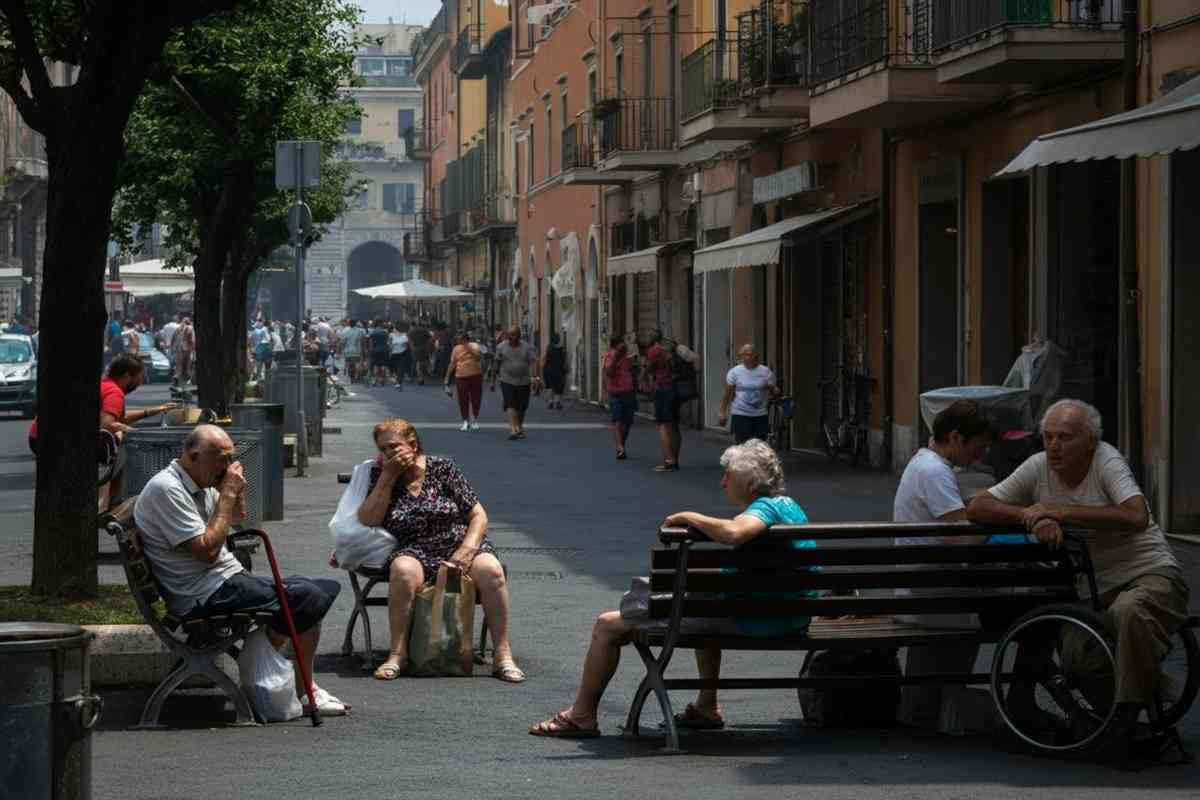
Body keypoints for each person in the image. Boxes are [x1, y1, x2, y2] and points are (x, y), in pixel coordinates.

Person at [529, 440, 814, 737]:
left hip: (759, 619)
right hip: (791, 616)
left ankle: (582, 716)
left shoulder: (764, 509)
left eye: (728, 475)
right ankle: (706, 705)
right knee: (706, 604)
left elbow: (734, 532)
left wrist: (689, 516)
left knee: (607, 625)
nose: (722, 482)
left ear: (750, 482)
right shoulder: (789, 506)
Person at [967, 398, 1190, 762]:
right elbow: (978, 506)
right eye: (1048, 436)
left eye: (1065, 437)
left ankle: (1123, 723)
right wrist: (1032, 516)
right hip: (1093, 591)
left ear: (1090, 441)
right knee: (1078, 658)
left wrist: (1060, 511)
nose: (1054, 446)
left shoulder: (1106, 461)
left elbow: (1135, 515)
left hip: (1149, 572)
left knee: (1130, 612)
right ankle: (1135, 700)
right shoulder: (1039, 466)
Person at [135, 425, 349, 715]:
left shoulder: (198, 481)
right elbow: (208, 552)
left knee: (316, 590)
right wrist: (226, 494)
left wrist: (237, 490)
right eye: (221, 459)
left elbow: (236, 517)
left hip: (220, 581)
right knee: (308, 596)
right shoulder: (168, 489)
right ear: (193, 456)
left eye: (230, 458)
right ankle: (301, 688)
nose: (226, 466)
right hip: (204, 593)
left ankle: (297, 682)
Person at [354, 418, 524, 683]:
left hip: (459, 543)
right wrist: (388, 477)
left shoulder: (443, 468)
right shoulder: (381, 475)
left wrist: (467, 549)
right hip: (415, 547)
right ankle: (397, 654)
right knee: (402, 570)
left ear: (413, 444)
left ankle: (502, 654)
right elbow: (369, 519)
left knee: (492, 571)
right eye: (383, 449)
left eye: (394, 446)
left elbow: (478, 515)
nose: (388, 453)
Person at [892, 399, 994, 730]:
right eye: (977, 447)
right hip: (931, 591)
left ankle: (927, 709)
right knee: (1005, 601)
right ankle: (945, 708)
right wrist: (994, 520)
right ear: (955, 437)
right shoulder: (935, 472)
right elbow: (963, 540)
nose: (980, 456)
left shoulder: (922, 463)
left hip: (920, 585)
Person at [719, 343, 778, 444]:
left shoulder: (765, 371)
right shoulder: (735, 372)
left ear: (756, 356)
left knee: (759, 446)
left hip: (760, 414)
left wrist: (773, 390)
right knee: (742, 445)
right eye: (745, 354)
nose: (748, 357)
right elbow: (727, 394)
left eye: (751, 354)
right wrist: (722, 413)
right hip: (740, 413)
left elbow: (774, 391)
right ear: (741, 357)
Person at [491, 327, 540, 440]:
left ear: (519, 336)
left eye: (514, 335)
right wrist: (493, 381)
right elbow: (496, 363)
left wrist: (535, 377)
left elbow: (533, 361)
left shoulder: (526, 347)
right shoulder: (501, 347)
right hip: (507, 380)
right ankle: (513, 429)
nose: (511, 337)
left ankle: (519, 426)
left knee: (522, 407)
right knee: (510, 404)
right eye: (509, 335)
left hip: (524, 381)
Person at [645, 331, 682, 472]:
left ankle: (669, 460)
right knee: (674, 425)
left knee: (663, 425)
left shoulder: (654, 350)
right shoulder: (671, 348)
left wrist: (643, 377)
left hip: (662, 388)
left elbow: (650, 368)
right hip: (675, 388)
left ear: (652, 339)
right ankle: (675, 459)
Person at [603, 335, 637, 460]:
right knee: (617, 419)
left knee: (627, 421)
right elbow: (609, 373)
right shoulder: (610, 356)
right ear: (616, 346)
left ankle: (621, 444)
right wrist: (616, 358)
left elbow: (633, 370)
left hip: (628, 391)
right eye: (621, 345)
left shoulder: (627, 356)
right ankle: (620, 448)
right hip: (615, 392)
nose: (624, 347)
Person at [446, 332, 484, 431]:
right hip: (461, 376)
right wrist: (447, 379)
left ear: (466, 339)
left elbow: (478, 358)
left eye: (460, 339)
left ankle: (474, 419)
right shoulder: (456, 349)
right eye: (457, 339)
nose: (458, 341)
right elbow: (452, 363)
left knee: (476, 398)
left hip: (475, 375)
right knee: (463, 399)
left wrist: (468, 348)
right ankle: (465, 421)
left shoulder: (474, 346)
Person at [541, 332, 567, 410]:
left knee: (549, 386)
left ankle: (550, 401)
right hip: (558, 371)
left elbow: (544, 358)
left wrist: (543, 368)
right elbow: (564, 360)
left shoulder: (549, 347)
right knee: (558, 387)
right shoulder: (562, 349)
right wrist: (565, 369)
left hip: (548, 370)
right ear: (558, 339)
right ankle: (557, 401)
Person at [173, 317, 195, 386]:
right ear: (189, 322)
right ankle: (186, 382)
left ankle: (178, 379)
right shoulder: (190, 328)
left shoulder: (178, 329)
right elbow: (191, 340)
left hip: (179, 349)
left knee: (179, 365)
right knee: (187, 366)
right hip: (187, 348)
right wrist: (193, 347)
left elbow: (173, 339)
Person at [368, 320, 391, 386]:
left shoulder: (372, 332)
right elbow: (388, 342)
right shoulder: (385, 332)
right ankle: (382, 379)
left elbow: (371, 343)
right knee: (383, 365)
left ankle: (374, 380)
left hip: (375, 351)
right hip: (384, 350)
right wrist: (389, 350)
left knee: (375, 365)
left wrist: (370, 350)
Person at [388, 323, 409, 391]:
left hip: (402, 354)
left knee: (401, 369)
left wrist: (404, 345)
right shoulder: (391, 335)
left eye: (395, 328)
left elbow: (406, 344)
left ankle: (399, 383)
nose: (394, 330)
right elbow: (389, 345)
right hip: (394, 354)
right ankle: (396, 380)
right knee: (393, 369)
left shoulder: (405, 335)